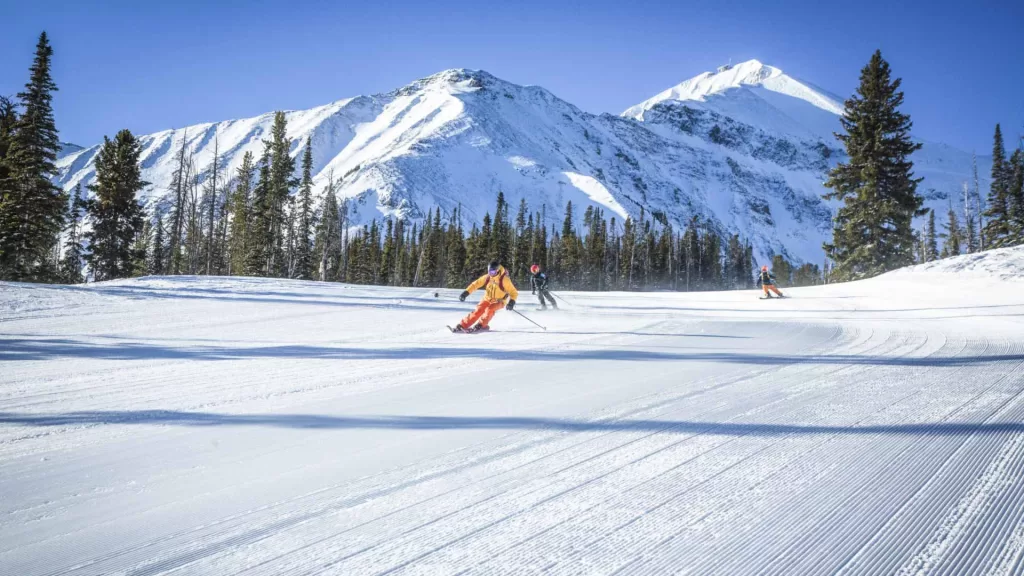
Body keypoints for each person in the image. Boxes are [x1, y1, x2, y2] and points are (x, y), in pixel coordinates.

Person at [454, 260, 518, 332]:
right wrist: (466, 293)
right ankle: (463, 325)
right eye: (489, 271)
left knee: (490, 309)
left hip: (499, 301)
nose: (491, 274)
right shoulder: (487, 277)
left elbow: (514, 292)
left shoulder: (504, 280)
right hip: (487, 298)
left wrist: (511, 302)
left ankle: (481, 325)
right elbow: (476, 284)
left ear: (497, 271)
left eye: (493, 272)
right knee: (478, 310)